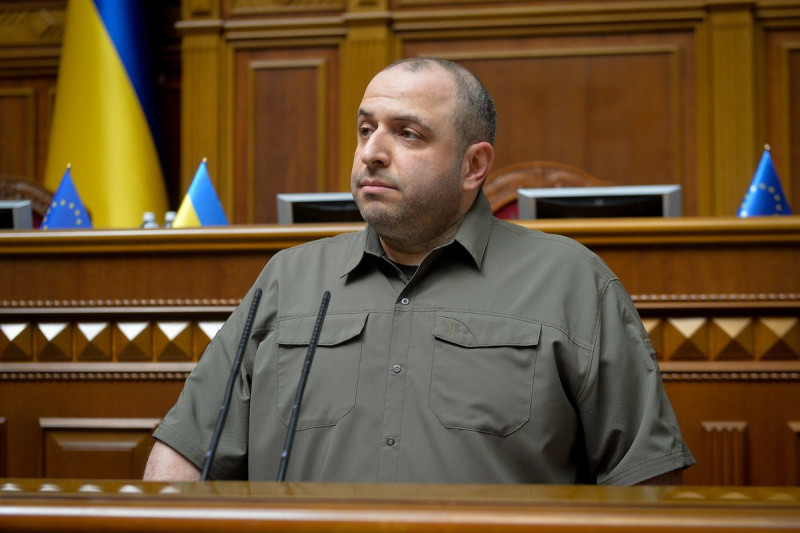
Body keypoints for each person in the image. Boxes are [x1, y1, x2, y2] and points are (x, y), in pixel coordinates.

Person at [144, 57, 695, 484]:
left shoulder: (571, 281)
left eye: (407, 133)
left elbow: (646, 481)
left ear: (473, 165)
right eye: (366, 129)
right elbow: (183, 458)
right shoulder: (289, 278)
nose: (372, 153)